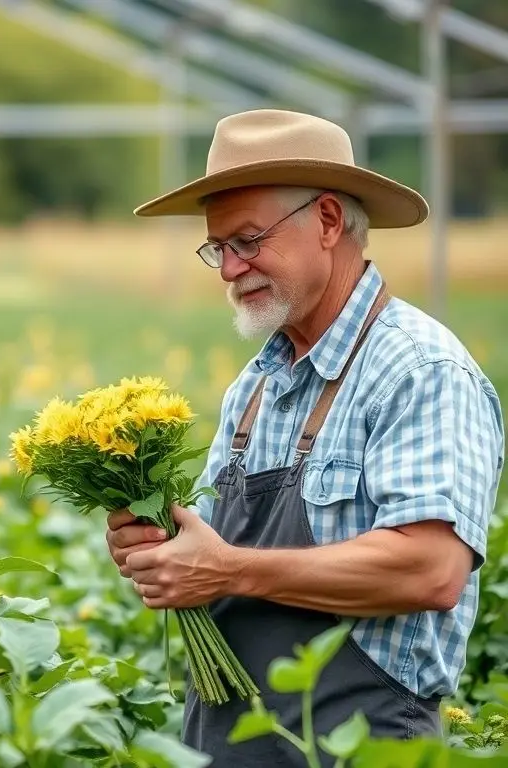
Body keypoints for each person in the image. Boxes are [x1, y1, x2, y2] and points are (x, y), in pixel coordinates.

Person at [105, 109, 505, 766]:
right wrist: (156, 548)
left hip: (359, 749)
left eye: (248, 240)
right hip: (227, 745)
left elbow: (432, 569)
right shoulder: (256, 386)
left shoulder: (417, 370)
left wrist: (230, 569)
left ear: (326, 221)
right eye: (218, 249)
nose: (230, 270)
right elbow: (207, 565)